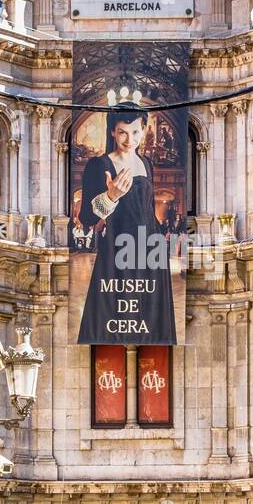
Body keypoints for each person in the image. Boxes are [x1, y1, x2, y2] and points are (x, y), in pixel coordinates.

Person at [76, 108, 177, 346]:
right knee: (114, 322)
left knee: (151, 324)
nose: (129, 140)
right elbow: (87, 218)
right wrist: (110, 197)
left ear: (143, 131)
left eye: (134, 132)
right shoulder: (98, 164)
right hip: (118, 250)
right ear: (112, 131)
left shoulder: (146, 163)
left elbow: (148, 209)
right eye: (122, 132)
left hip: (151, 252)